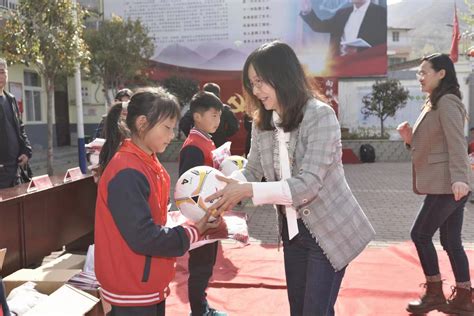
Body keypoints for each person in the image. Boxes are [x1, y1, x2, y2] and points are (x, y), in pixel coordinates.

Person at [205, 41, 375, 316]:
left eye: (260, 82)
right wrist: (224, 194)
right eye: (251, 84)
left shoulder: (320, 116)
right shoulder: (263, 122)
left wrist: (246, 190)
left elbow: (308, 185)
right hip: (293, 233)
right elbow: (251, 170)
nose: (256, 91)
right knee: (301, 310)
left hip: (328, 231)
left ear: (283, 76)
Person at [94, 87, 225, 316]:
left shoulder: (147, 162)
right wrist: (194, 231)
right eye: (167, 128)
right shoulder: (127, 171)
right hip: (132, 287)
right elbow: (144, 236)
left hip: (146, 281)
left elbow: (154, 218)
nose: (172, 135)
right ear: (143, 123)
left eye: (173, 128)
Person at [398, 53, 473, 314]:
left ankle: (434, 295)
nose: (420, 77)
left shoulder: (448, 102)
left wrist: (461, 179)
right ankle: (464, 299)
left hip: (449, 185)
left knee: (420, 234)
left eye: (423, 72)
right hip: (446, 185)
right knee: (451, 240)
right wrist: (409, 139)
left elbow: (457, 143)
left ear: (441, 73)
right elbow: (433, 143)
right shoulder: (433, 103)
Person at [178, 91, 227, 316]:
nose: (217, 121)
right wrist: (203, 217)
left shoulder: (205, 139)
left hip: (209, 213)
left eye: (219, 116)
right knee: (200, 267)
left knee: (206, 265)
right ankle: (198, 312)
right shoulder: (193, 146)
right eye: (213, 116)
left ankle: (202, 306)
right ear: (197, 116)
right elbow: (188, 189)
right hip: (201, 217)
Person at [300, 0, 386, 56]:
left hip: (365, 67)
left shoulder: (381, 13)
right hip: (338, 66)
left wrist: (358, 51)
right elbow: (320, 26)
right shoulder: (342, 13)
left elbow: (382, 45)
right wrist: (307, 11)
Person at [0, 58, 33, 189]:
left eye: (2, 72)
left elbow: (20, 128)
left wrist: (26, 150)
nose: (0, 76)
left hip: (15, 169)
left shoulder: (11, 99)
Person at [179, 82, 239, 148]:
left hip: (202, 142)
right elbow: (234, 127)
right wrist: (223, 134)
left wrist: (193, 134)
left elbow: (184, 123)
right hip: (218, 142)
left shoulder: (199, 108)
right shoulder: (224, 108)